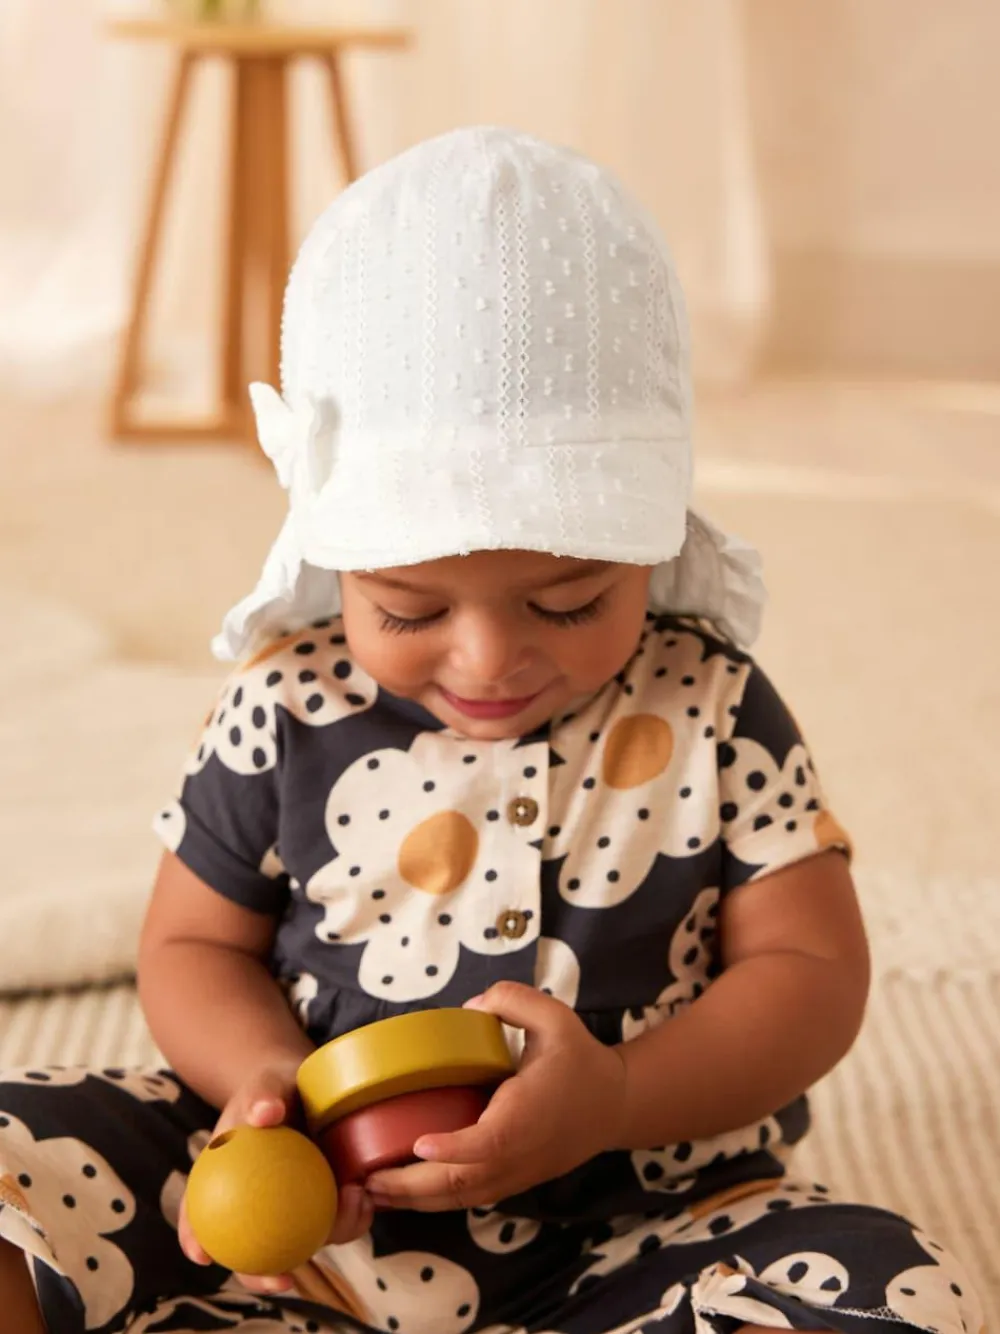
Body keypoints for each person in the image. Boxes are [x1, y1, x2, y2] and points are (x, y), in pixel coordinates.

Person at [0, 127, 982, 1334]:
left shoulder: (712, 705)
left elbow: (812, 974)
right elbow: (191, 945)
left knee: (900, 1289)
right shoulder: (286, 703)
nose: (487, 656)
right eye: (406, 608)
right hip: (314, 1228)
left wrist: (617, 1093)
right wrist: (261, 1090)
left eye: (569, 600)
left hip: (643, 1226)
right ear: (336, 562)